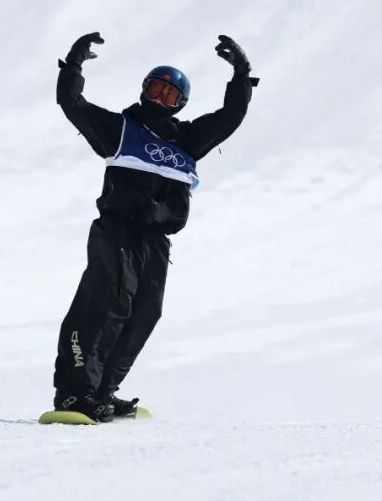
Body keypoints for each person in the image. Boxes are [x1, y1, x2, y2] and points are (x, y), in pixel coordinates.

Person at [52, 32, 258, 422]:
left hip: (155, 242)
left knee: (146, 312)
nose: (161, 99)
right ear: (144, 90)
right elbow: (72, 103)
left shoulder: (187, 139)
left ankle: (102, 392)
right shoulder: (120, 129)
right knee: (108, 301)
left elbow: (231, 117)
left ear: (180, 104)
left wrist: (241, 75)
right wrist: (74, 65)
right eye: (156, 90)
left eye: (170, 95)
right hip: (115, 232)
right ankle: (73, 395)